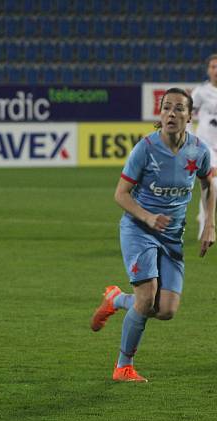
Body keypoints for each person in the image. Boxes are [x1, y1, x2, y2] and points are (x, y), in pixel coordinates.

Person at [90, 87, 215, 382]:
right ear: (161, 114)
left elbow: (208, 184)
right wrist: (146, 216)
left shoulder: (199, 149)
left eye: (178, 108)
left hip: (172, 236)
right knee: (146, 301)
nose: (172, 113)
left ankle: (117, 300)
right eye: (166, 108)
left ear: (190, 115)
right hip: (139, 229)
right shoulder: (145, 149)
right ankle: (123, 367)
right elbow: (120, 194)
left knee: (167, 310)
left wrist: (210, 223)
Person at [191, 53, 217, 238]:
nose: (216, 70)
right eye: (213, 67)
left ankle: (203, 216)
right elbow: (187, 112)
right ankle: (206, 227)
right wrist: (190, 136)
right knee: (211, 181)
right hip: (207, 145)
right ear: (208, 70)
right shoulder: (200, 92)